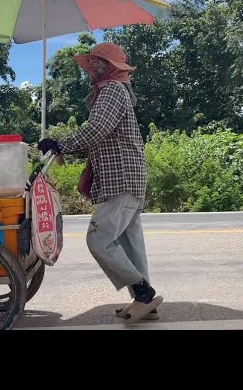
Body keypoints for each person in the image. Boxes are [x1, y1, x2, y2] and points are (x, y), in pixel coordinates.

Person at [38, 42, 163, 324]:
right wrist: (64, 147)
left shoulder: (111, 91)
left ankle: (143, 293)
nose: (89, 70)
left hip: (120, 179)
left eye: (94, 65)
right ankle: (145, 301)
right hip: (129, 178)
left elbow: (97, 130)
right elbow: (100, 139)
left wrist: (60, 143)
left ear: (105, 68)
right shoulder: (115, 92)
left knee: (98, 239)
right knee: (129, 243)